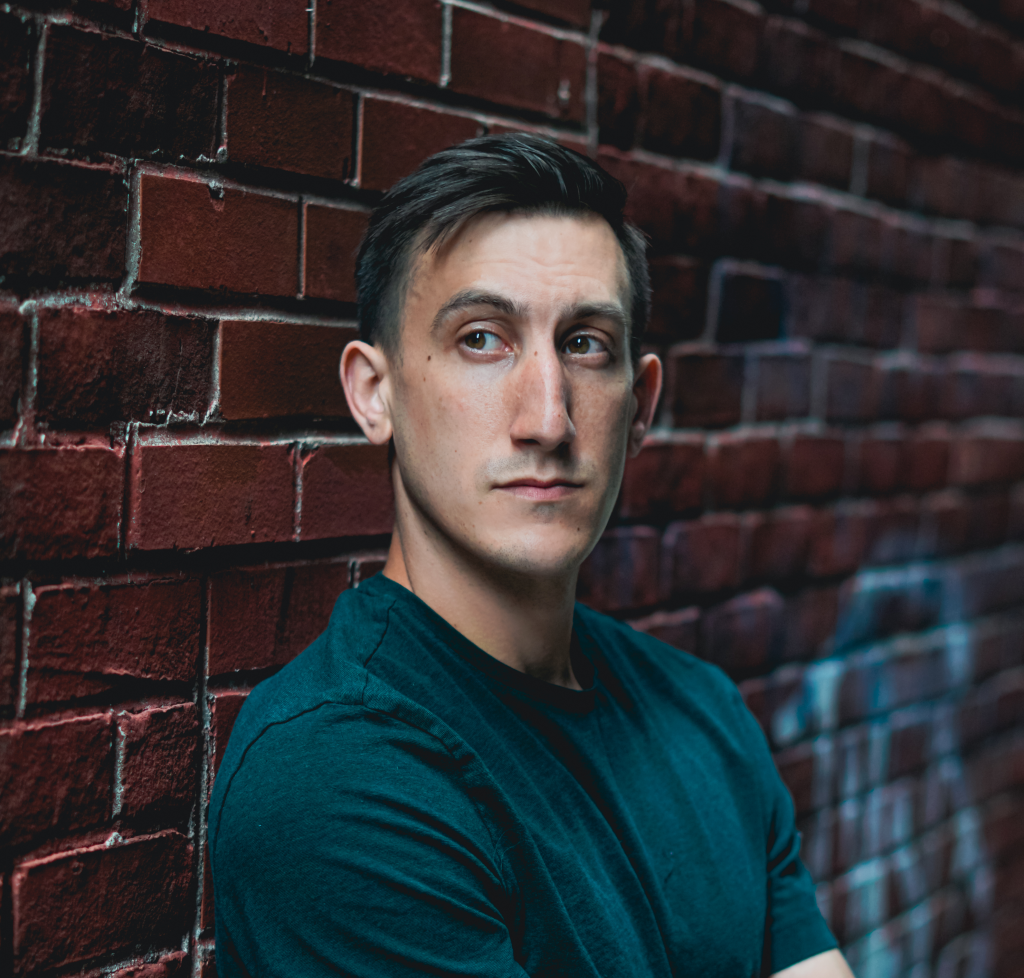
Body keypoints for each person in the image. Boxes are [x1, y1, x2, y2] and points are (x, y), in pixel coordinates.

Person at [209, 133, 852, 978]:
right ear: (376, 393)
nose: (548, 419)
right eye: (483, 338)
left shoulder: (705, 715)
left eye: (585, 344)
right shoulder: (333, 776)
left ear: (641, 402)